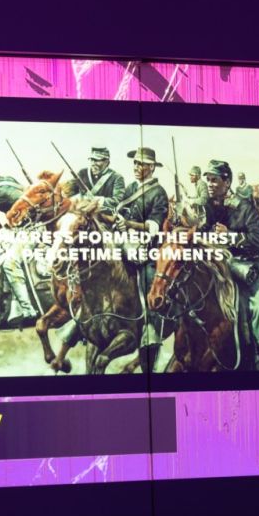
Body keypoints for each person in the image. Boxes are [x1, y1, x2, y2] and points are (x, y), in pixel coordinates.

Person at [201, 160, 259, 368]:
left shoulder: (244, 207)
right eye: (208, 180)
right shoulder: (209, 206)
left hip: (250, 265)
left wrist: (230, 236)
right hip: (223, 265)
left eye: (214, 180)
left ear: (227, 182)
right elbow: (204, 230)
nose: (210, 184)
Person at [107, 147, 171, 371]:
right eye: (135, 163)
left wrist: (129, 224)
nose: (136, 167)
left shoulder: (159, 193)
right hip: (126, 245)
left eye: (141, 164)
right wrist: (117, 220)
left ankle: (152, 329)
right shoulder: (131, 188)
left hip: (147, 249)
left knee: (150, 282)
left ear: (151, 167)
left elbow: (153, 227)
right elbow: (120, 214)